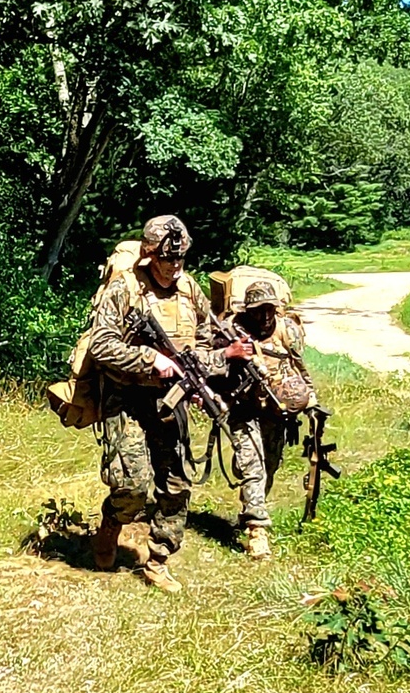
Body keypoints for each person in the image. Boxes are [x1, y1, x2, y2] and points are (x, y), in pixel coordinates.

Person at [89, 215, 248, 592]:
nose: (174, 267)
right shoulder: (125, 289)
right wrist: (150, 359)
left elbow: (207, 343)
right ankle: (112, 523)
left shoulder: (190, 289)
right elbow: (101, 345)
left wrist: (200, 377)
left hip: (169, 399)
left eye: (180, 260)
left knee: (176, 484)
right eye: (167, 260)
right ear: (148, 255)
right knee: (133, 485)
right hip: (126, 396)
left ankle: (158, 559)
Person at [215, 281, 318, 560]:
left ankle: (251, 507)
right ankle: (257, 530)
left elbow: (299, 365)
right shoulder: (231, 331)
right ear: (248, 310)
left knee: (270, 465)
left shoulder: (287, 330)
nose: (265, 316)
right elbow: (213, 365)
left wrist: (311, 401)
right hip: (243, 409)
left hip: (276, 411)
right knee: (253, 465)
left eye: (270, 309)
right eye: (259, 310)